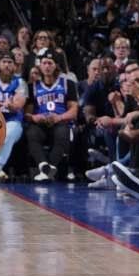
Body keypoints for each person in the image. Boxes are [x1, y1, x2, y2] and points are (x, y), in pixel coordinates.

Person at [24, 51, 79, 182]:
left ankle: (49, 169)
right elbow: (27, 114)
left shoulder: (67, 83)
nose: (47, 66)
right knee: (31, 133)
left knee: (62, 132)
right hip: (41, 123)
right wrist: (35, 117)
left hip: (60, 121)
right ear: (40, 66)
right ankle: (44, 165)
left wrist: (59, 117)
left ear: (55, 66)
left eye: (50, 63)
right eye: (44, 63)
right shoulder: (33, 86)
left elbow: (74, 111)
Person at [0, 52, 27, 181]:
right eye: (4, 62)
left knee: (6, 135)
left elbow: (19, 105)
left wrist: (10, 105)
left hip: (13, 120)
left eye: (10, 62)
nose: (7, 65)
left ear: (15, 66)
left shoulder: (21, 83)